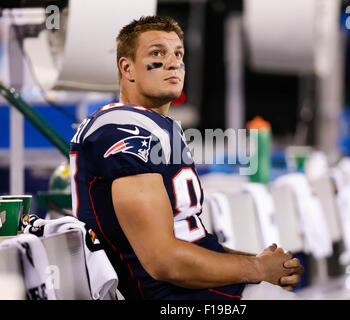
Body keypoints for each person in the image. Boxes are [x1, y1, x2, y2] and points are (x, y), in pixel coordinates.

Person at [69, 16, 304, 300]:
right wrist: (254, 268)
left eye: (178, 54)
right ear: (127, 67)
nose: (173, 63)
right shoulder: (120, 129)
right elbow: (163, 261)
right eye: (157, 53)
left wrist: (265, 265)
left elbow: (191, 239)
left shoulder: (159, 126)